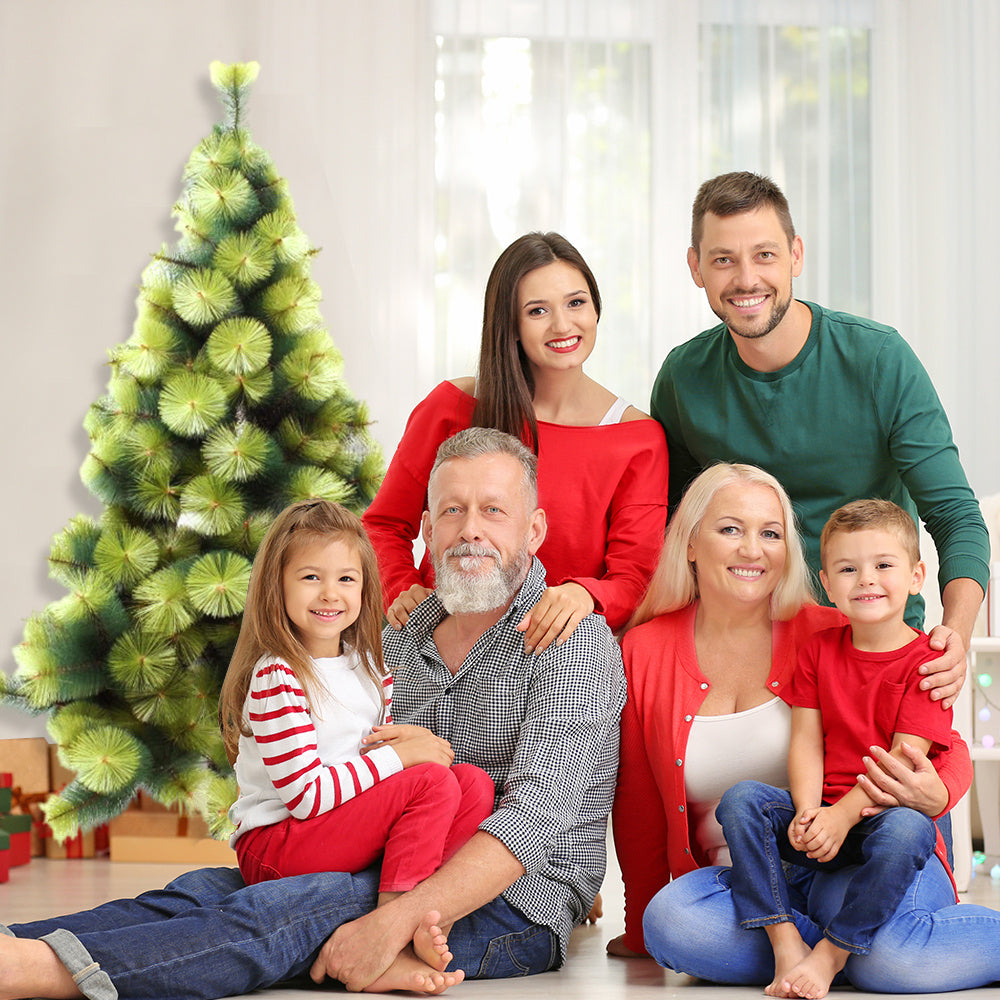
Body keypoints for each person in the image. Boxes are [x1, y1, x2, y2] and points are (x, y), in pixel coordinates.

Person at [4, 428, 625, 1000]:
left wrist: (392, 923)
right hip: (377, 857)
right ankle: (15, 940)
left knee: (296, 904)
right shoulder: (397, 636)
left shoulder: (569, 640)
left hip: (507, 904)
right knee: (207, 891)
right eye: (452, 511)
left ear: (535, 530)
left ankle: (39, 974)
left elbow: (532, 827)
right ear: (428, 528)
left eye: (494, 510)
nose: (470, 530)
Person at [610, 462, 1000, 992]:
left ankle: (851, 952)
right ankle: (839, 950)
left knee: (890, 959)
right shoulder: (644, 649)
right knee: (672, 923)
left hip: (863, 858)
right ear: (691, 542)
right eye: (730, 529)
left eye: (770, 533)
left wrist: (939, 793)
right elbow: (637, 806)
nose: (753, 549)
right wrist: (638, 928)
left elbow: (939, 743)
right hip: (755, 880)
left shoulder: (838, 629)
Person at [651, 171, 988, 708]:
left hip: (869, 644)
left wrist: (956, 634)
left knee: (905, 789)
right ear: (695, 267)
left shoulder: (878, 360)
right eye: (723, 260)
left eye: (764, 255)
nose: (745, 279)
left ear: (795, 256)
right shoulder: (683, 377)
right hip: (746, 651)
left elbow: (955, 516)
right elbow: (673, 529)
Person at [217, 499, 495, 980]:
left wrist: (404, 744)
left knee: (471, 784)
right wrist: (400, 759)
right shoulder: (278, 677)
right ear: (275, 586)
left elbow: (366, 762)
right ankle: (391, 937)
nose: (330, 594)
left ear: (365, 587)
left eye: (346, 579)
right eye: (310, 577)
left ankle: (420, 913)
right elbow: (307, 797)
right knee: (433, 783)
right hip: (277, 842)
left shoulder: (368, 667)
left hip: (333, 828)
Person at [363, 231, 668, 652]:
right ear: (511, 324)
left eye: (576, 303)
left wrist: (585, 595)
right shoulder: (451, 406)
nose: (563, 325)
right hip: (440, 645)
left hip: (551, 658)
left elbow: (635, 577)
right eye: (538, 310)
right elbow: (382, 524)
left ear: (597, 308)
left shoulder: (636, 439)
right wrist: (399, 587)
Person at [718, 499, 954, 998]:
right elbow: (805, 740)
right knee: (742, 801)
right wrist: (807, 812)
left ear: (916, 576)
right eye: (849, 569)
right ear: (828, 584)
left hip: (880, 819)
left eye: (883, 566)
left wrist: (842, 816)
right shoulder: (820, 650)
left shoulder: (927, 665)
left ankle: (834, 952)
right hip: (825, 821)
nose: (866, 580)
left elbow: (900, 768)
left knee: (910, 828)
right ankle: (783, 940)